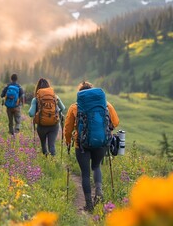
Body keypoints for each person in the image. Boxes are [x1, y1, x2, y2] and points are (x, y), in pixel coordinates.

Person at [64, 81, 120, 212]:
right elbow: (116, 122)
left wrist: (67, 141)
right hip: (101, 142)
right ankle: (99, 192)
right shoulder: (105, 104)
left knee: (85, 173)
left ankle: (88, 205)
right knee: (96, 167)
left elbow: (68, 128)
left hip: (82, 144)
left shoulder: (75, 107)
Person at [28, 78, 65, 156]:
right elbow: (63, 108)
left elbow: (31, 114)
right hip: (54, 125)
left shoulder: (35, 99)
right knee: (52, 145)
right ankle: (53, 162)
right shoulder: (55, 97)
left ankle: (46, 159)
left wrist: (36, 111)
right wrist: (57, 112)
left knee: (43, 144)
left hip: (42, 126)